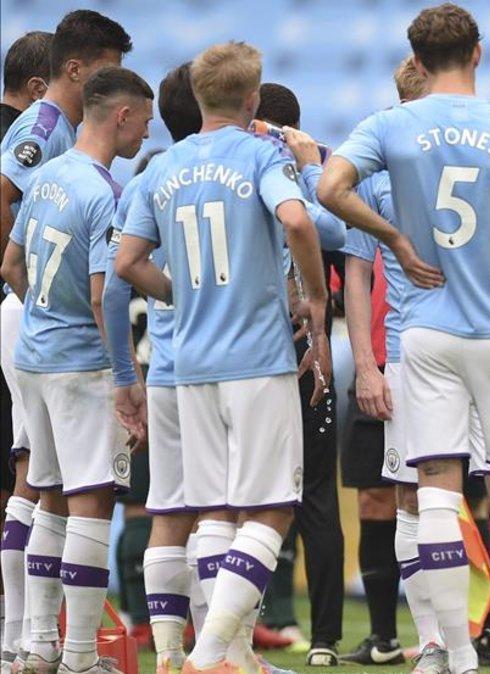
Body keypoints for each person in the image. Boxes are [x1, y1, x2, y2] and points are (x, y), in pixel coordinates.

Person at [317, 4, 490, 673]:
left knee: (432, 490)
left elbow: (329, 186)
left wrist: (396, 239)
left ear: (416, 57)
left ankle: (450, 655)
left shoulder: (389, 127)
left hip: (425, 334)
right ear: (479, 53)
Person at [114, 40, 331, 674]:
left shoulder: (161, 168)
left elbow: (127, 263)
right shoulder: (261, 153)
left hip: (188, 364)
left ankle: (222, 654)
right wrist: (316, 299)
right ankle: (210, 656)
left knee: (210, 511)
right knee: (270, 507)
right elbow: (297, 221)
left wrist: (180, 292)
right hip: (256, 359)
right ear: (252, 99)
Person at [0, 65, 153, 674]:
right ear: (121, 117)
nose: (146, 133)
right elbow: (105, 294)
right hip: (81, 366)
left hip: (33, 358)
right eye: (144, 122)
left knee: (47, 498)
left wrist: (44, 313)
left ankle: (37, 646)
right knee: (91, 502)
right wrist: (123, 376)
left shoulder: (45, 178)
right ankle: (82, 657)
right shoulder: (103, 192)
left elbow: (11, 264)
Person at [101, 62, 206, 674]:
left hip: (158, 365)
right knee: (225, 509)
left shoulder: (148, 178)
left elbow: (119, 279)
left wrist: (125, 373)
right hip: (224, 361)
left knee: (160, 507)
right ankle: (219, 648)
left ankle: (163, 645)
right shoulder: (241, 168)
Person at [336, 57, 427, 669]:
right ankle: (386, 635)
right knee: (378, 498)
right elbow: (357, 275)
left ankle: (472, 627)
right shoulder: (372, 173)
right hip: (385, 356)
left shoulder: (470, 158)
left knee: (453, 499)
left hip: (444, 353)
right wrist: (366, 367)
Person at [252, 81, 346, 667]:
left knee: (269, 494)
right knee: (305, 498)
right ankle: (319, 638)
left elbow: (337, 241)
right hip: (292, 346)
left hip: (275, 349)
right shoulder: (327, 174)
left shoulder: (313, 172)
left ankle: (232, 631)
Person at [0, 27, 52, 670]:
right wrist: (16, 276)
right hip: (19, 312)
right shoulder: (29, 136)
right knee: (32, 468)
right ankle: (21, 638)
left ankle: (17, 636)